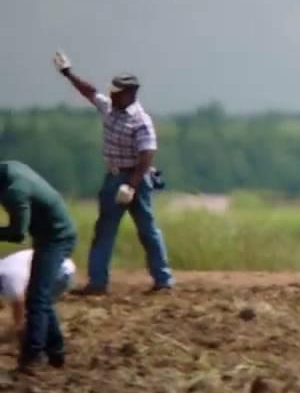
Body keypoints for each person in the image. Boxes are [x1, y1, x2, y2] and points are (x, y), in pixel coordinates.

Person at [51, 50, 174, 294]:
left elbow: (147, 154)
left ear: (129, 94)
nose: (111, 96)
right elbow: (89, 92)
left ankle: (163, 280)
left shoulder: (140, 120)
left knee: (147, 229)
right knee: (104, 229)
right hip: (113, 176)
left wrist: (132, 184)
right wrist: (68, 73)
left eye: (117, 93)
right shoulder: (110, 108)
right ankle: (97, 282)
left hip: (135, 178)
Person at [0, 160, 78, 372]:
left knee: (36, 298)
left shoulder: (14, 191)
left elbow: (18, 233)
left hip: (57, 239)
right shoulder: (10, 168)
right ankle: (56, 352)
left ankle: (32, 356)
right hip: (49, 235)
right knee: (40, 294)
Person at [0, 248, 77, 348]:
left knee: (38, 306)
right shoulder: (3, 269)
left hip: (62, 273)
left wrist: (18, 327)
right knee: (35, 305)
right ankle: (38, 333)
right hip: (50, 264)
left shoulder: (9, 277)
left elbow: (19, 302)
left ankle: (40, 341)